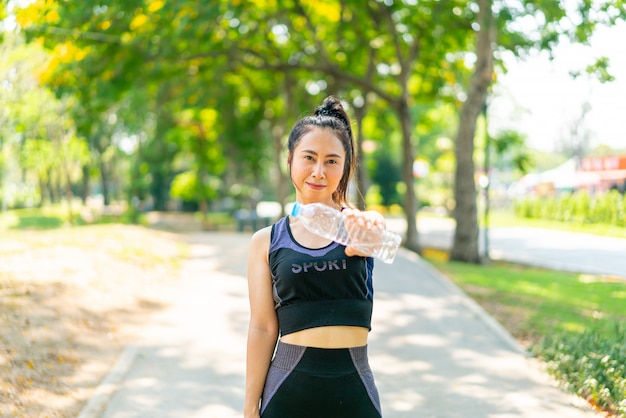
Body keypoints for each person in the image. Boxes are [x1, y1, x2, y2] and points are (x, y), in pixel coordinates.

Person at [244, 96, 385, 418]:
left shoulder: (357, 226)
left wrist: (374, 222)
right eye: (309, 158)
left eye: (332, 161)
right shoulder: (266, 241)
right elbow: (263, 327)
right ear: (290, 159)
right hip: (288, 391)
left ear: (345, 166)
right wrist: (250, 407)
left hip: (354, 392)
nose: (319, 171)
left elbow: (374, 228)